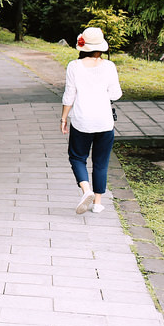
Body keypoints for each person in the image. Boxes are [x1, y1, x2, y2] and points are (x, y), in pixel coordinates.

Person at [60, 27, 122, 214]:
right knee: (101, 162)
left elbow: (69, 95)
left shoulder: (74, 66)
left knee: (77, 157)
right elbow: (116, 94)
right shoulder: (109, 66)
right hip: (104, 121)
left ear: (82, 46)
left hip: (82, 120)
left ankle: (86, 190)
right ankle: (98, 203)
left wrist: (63, 118)